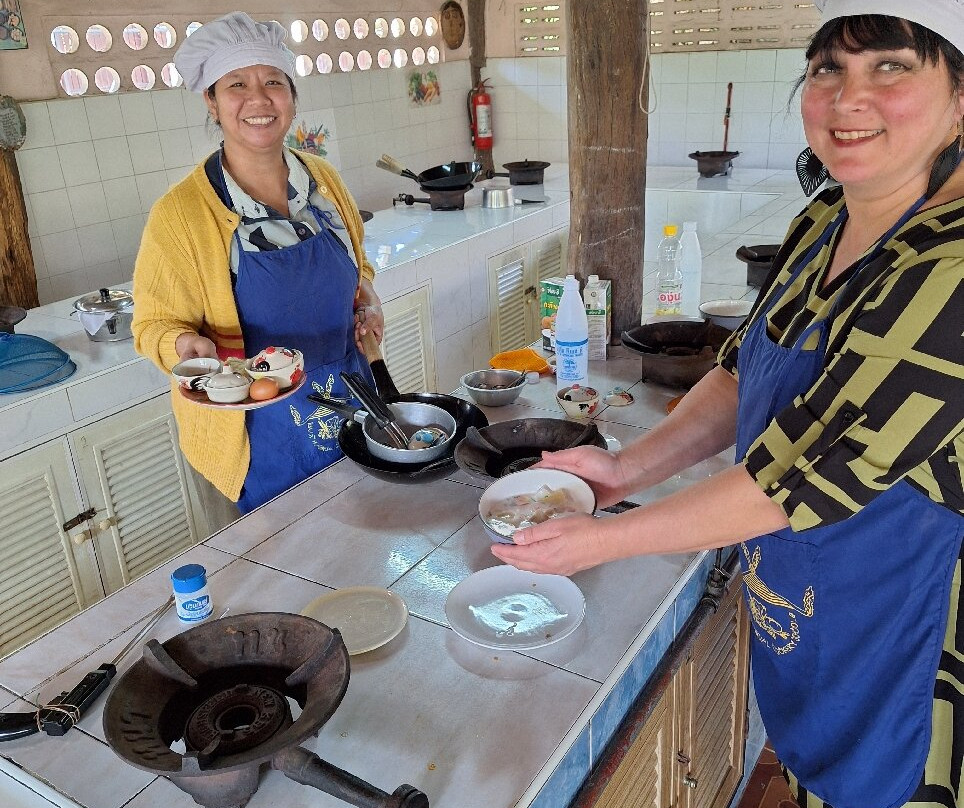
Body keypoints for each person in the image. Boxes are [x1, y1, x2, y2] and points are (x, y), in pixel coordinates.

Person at [493, 2, 964, 806]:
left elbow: (791, 481)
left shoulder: (951, 269)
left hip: (904, 636)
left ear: (960, 95)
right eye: (828, 70)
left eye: (891, 67)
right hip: (817, 612)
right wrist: (620, 469)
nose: (850, 98)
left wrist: (604, 543)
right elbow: (744, 371)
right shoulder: (828, 218)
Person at [132, 12, 383, 516]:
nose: (258, 100)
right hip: (256, 435)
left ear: (291, 95)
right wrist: (186, 345)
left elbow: (356, 268)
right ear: (211, 100)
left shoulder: (324, 181)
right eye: (236, 85)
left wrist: (367, 297)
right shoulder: (181, 214)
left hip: (353, 400)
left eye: (273, 81)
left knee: (369, 549)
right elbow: (153, 325)